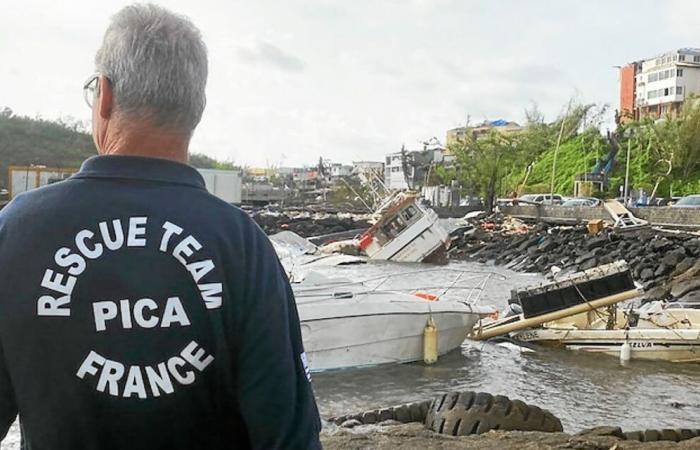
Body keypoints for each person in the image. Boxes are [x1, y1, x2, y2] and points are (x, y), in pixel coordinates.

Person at [0, 4, 321, 449]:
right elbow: (290, 437)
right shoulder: (242, 244)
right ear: (198, 110)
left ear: (106, 96)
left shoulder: (16, 233)